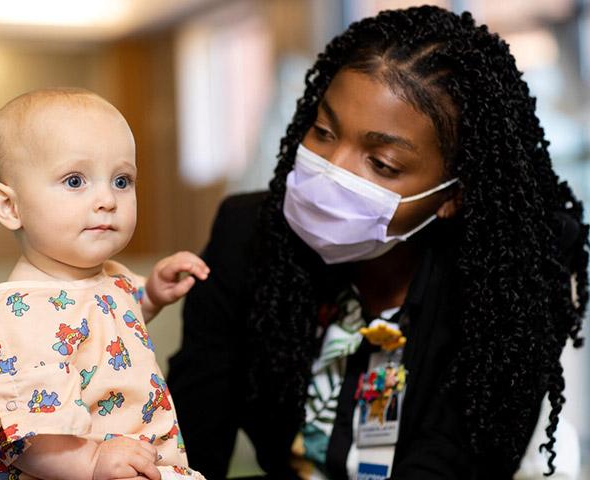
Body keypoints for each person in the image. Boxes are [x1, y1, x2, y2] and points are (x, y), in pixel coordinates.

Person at [167, 6, 588, 480]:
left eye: (382, 163)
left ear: (453, 195)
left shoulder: (512, 277)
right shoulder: (246, 237)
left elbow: (455, 465)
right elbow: (188, 442)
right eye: (323, 132)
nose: (333, 171)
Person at [0, 88, 209, 480]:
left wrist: (150, 294)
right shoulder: (17, 321)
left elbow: (113, 328)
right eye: (75, 180)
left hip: (129, 463)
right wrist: (90, 464)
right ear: (9, 206)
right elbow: (34, 439)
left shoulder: (108, 278)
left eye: (121, 180)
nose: (106, 199)